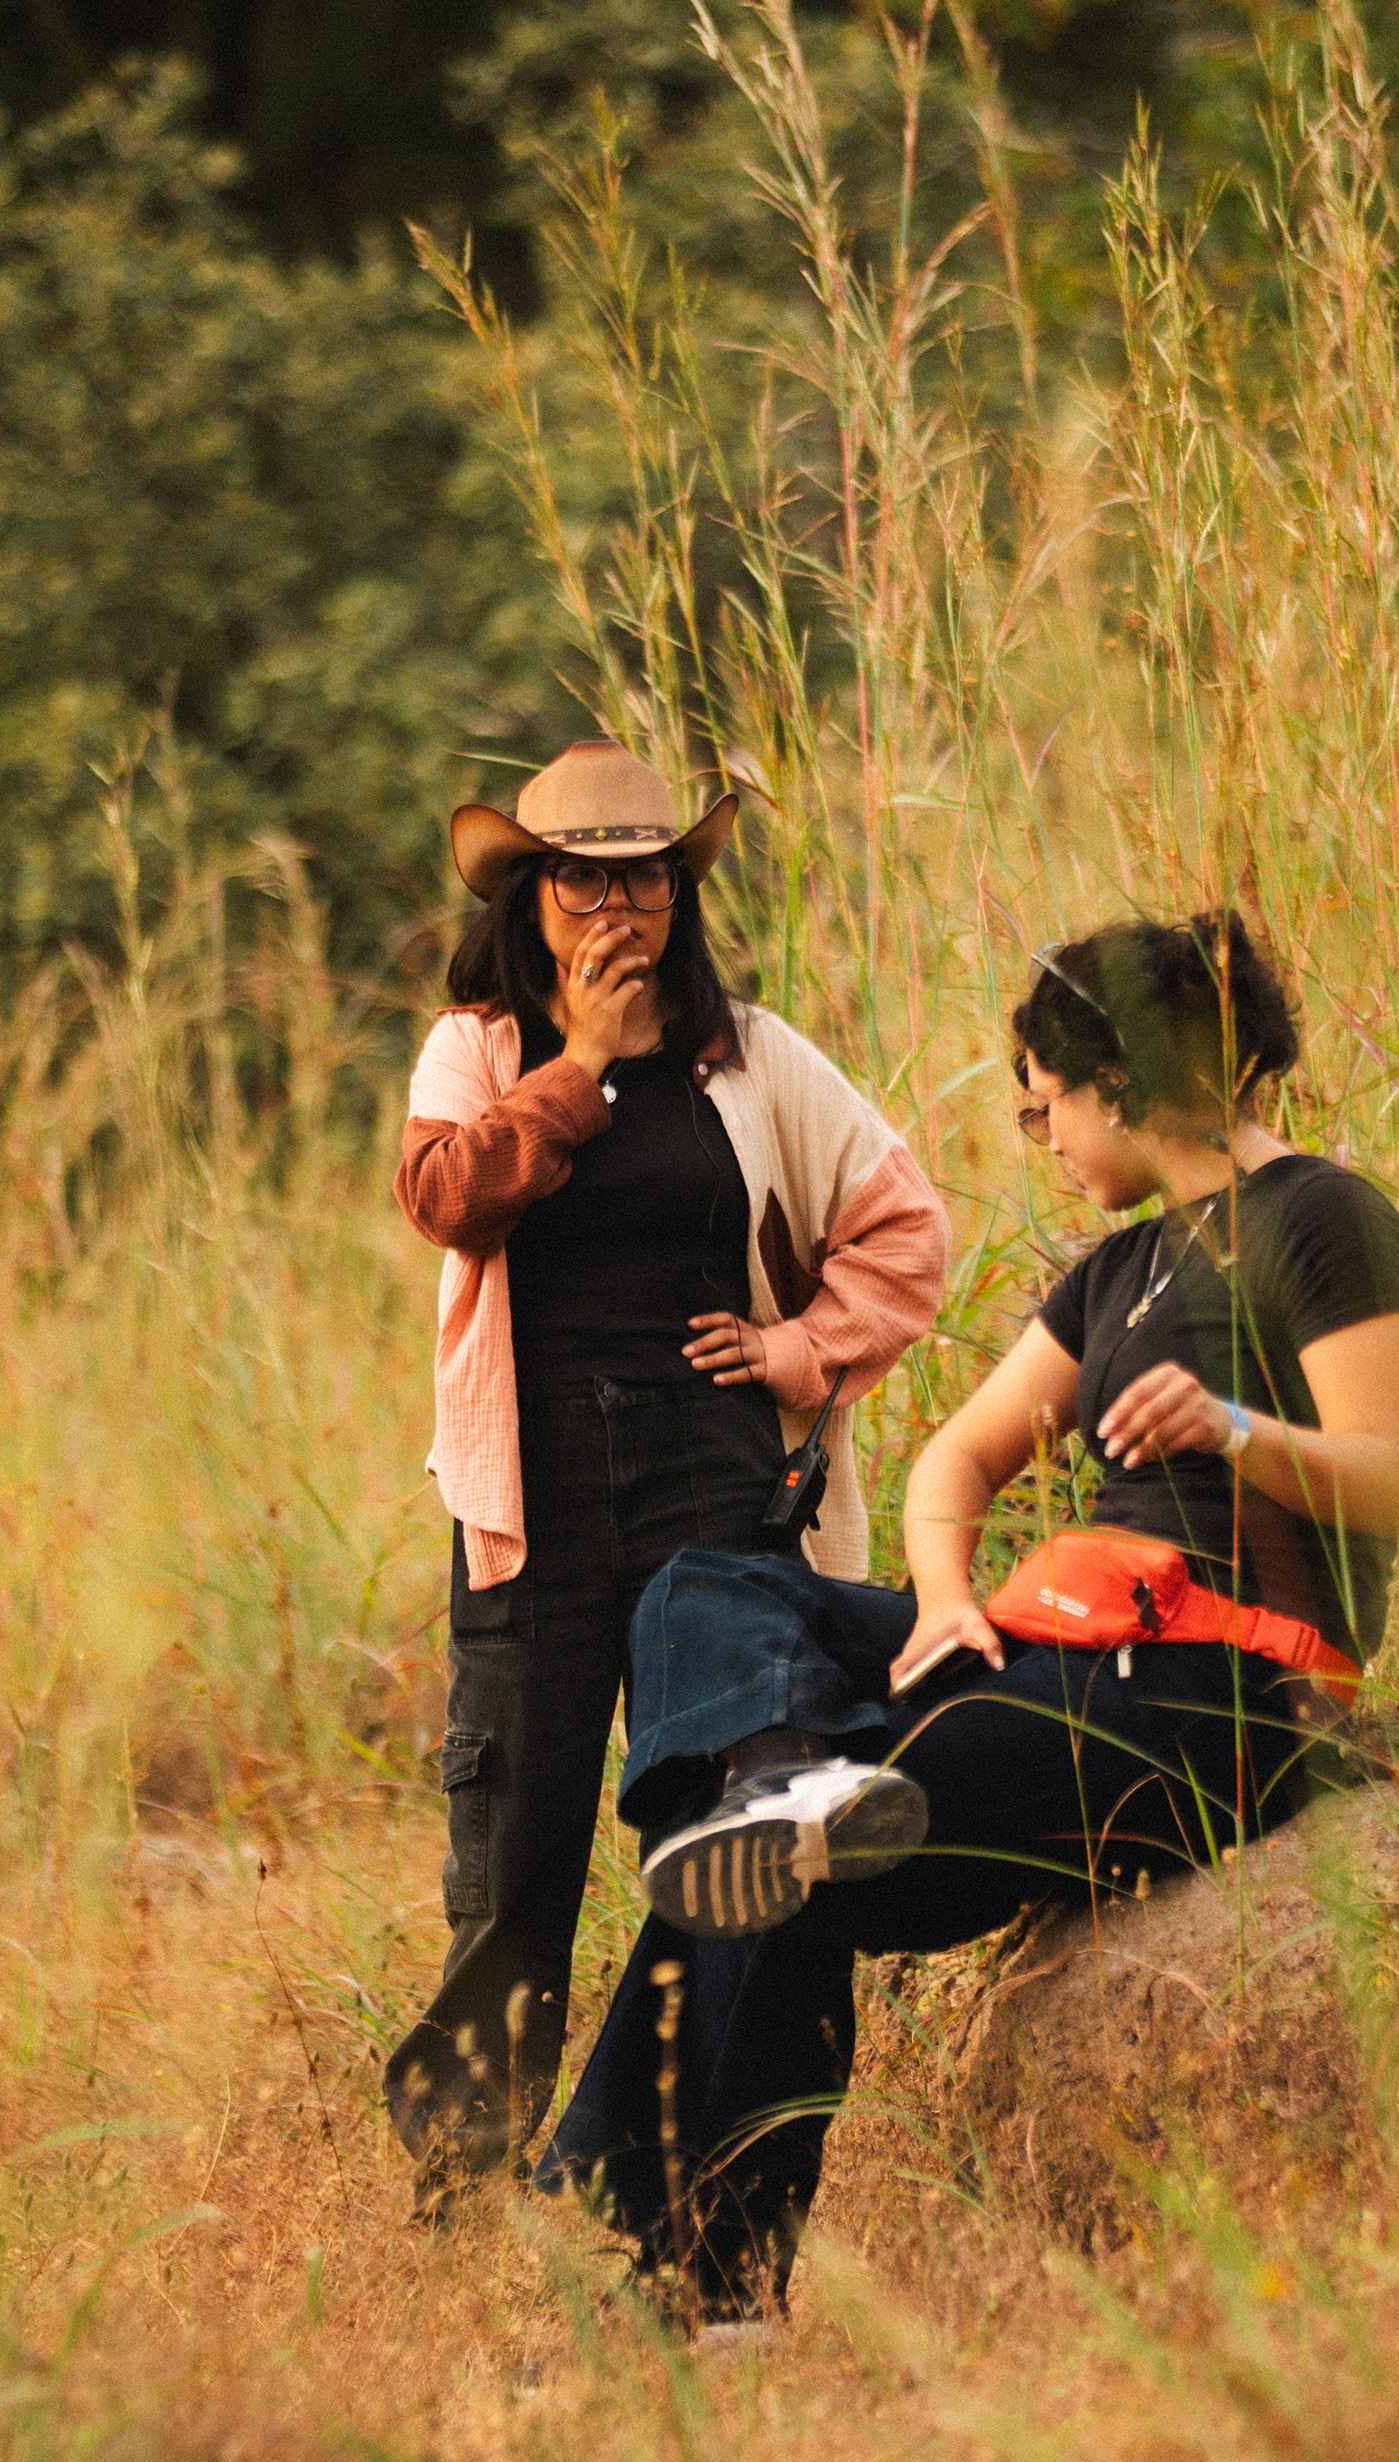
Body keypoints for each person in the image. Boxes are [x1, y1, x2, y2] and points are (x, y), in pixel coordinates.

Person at [540, 909, 1399, 2317]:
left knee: (787, 1854)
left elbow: (1389, 1478)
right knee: (706, 1588)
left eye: (1045, 1105)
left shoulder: (1325, 1219)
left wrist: (1235, 1428)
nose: (1046, 1140)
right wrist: (945, 1603)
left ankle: (700, 2290)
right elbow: (955, 1460)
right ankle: (783, 1768)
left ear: (1119, 1083)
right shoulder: (1114, 1273)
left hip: (1216, 1682)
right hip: (1055, 1644)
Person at [382, 739, 949, 2196]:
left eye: (645, 880)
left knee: (733, 1830)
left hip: (716, 1498)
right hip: (535, 1506)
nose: (618, 910)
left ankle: (698, 2166)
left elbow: (907, 1230)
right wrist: (578, 1064)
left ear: (679, 895)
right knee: (516, 1861)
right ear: (530, 899)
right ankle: (463, 2194)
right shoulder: (478, 1050)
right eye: (584, 884)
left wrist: (798, 1350)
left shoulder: (747, 1055)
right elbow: (446, 1198)